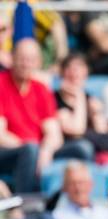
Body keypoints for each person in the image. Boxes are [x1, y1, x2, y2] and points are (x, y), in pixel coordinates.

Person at [0, 38, 93, 190]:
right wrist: (32, 150)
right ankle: (27, 204)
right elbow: (1, 135)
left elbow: (54, 132)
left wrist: (46, 150)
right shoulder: (1, 84)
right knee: (30, 150)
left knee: (83, 147)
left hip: (38, 148)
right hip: (10, 150)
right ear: (12, 58)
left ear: (38, 63)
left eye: (31, 59)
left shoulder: (41, 89)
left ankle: (77, 203)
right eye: (22, 58)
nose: (26, 64)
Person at [55, 53, 108, 164]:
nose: (74, 72)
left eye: (79, 67)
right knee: (85, 146)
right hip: (68, 146)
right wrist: (79, 96)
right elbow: (76, 130)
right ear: (62, 72)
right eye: (69, 67)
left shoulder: (90, 98)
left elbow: (102, 131)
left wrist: (97, 114)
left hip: (94, 144)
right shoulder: (56, 98)